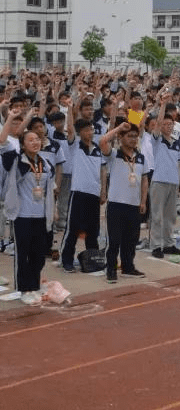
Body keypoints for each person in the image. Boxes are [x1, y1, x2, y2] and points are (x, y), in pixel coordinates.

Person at [2, 127, 55, 305]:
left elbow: (49, 190)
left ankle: (33, 285)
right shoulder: (18, 161)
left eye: (37, 139)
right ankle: (23, 288)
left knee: (39, 254)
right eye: (30, 140)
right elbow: (2, 144)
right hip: (22, 215)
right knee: (22, 253)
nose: (35, 142)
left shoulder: (46, 164)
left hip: (41, 216)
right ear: (22, 145)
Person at [99, 122, 148, 282]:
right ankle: (111, 270)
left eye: (135, 136)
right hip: (116, 204)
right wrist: (119, 128)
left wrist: (143, 201)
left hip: (134, 205)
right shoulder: (113, 155)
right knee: (114, 240)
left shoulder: (141, 158)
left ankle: (128, 267)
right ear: (121, 138)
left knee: (131, 239)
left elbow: (144, 180)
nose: (133, 139)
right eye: (129, 136)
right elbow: (103, 142)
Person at [59, 118, 104, 273]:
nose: (89, 132)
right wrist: (71, 107)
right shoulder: (75, 145)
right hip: (78, 192)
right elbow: (70, 129)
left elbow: (103, 171)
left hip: (94, 193)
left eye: (91, 129)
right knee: (73, 229)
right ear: (80, 132)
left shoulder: (98, 149)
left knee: (93, 230)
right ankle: (66, 260)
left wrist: (103, 190)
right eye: (86, 130)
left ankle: (93, 259)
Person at [149, 94, 180, 259]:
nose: (168, 126)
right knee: (157, 215)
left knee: (170, 216)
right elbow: (156, 125)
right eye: (165, 124)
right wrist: (163, 104)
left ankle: (168, 244)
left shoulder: (177, 142)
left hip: (173, 183)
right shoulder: (156, 140)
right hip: (158, 182)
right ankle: (156, 246)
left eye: (171, 124)